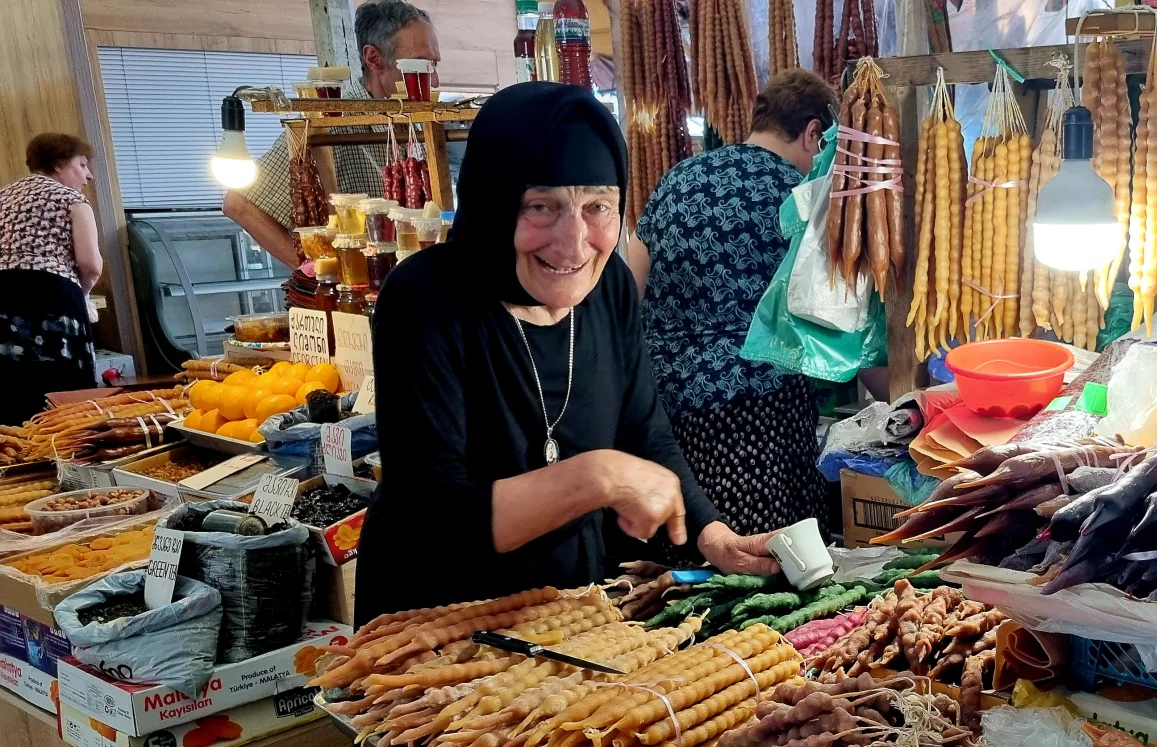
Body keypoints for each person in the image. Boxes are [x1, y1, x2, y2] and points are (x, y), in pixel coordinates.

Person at [356, 82, 780, 625]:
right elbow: (439, 519)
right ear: (493, 202)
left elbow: (644, 430)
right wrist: (596, 478)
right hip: (433, 622)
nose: (574, 243)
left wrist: (711, 535)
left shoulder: (611, 289)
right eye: (542, 206)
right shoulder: (424, 301)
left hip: (561, 613)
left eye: (598, 205)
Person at [625, 69, 837, 540]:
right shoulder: (803, 197)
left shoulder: (678, 177)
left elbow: (626, 291)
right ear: (812, 134)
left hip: (670, 418)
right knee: (770, 566)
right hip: (763, 419)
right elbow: (833, 321)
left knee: (690, 567)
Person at [223, 0, 442, 268]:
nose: (434, 82)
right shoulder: (333, 122)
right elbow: (239, 204)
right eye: (419, 66)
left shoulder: (413, 125)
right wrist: (316, 273)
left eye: (434, 66)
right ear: (374, 58)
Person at [0, 133, 103, 425]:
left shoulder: (2, 197)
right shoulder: (71, 199)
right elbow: (90, 263)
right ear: (58, 165)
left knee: (11, 387)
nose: (89, 175)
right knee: (62, 393)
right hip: (52, 295)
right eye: (82, 165)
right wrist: (81, 295)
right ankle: (59, 458)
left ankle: (17, 458)